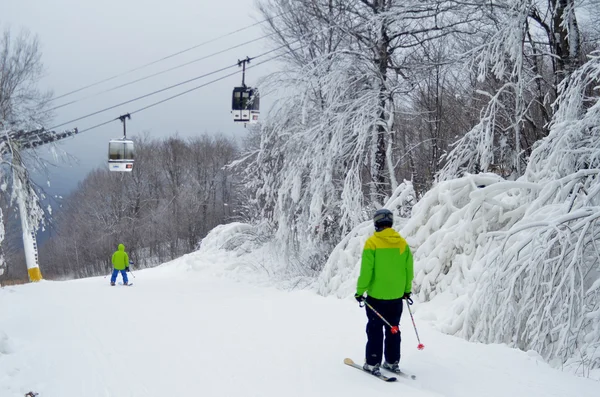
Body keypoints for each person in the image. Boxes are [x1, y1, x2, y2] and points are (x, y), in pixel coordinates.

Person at [354, 208, 414, 376]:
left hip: (376, 297)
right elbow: (409, 270)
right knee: (393, 327)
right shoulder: (402, 243)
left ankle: (373, 363)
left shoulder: (372, 243)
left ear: (376, 223)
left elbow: (367, 271)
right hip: (396, 297)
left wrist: (360, 291)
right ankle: (392, 361)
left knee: (374, 329)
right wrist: (406, 291)